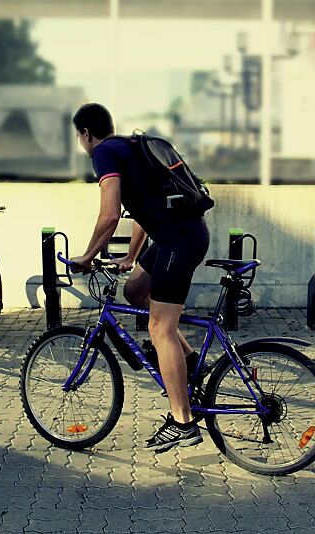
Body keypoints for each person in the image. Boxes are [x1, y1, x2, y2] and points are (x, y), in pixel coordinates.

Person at [69, 103, 210, 453]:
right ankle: (191, 363)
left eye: (79, 136)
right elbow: (145, 209)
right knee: (135, 291)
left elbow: (109, 214)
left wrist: (87, 256)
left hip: (180, 240)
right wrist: (131, 257)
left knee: (160, 329)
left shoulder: (103, 153)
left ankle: (183, 422)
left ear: (86, 133)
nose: (81, 142)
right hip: (176, 235)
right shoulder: (129, 147)